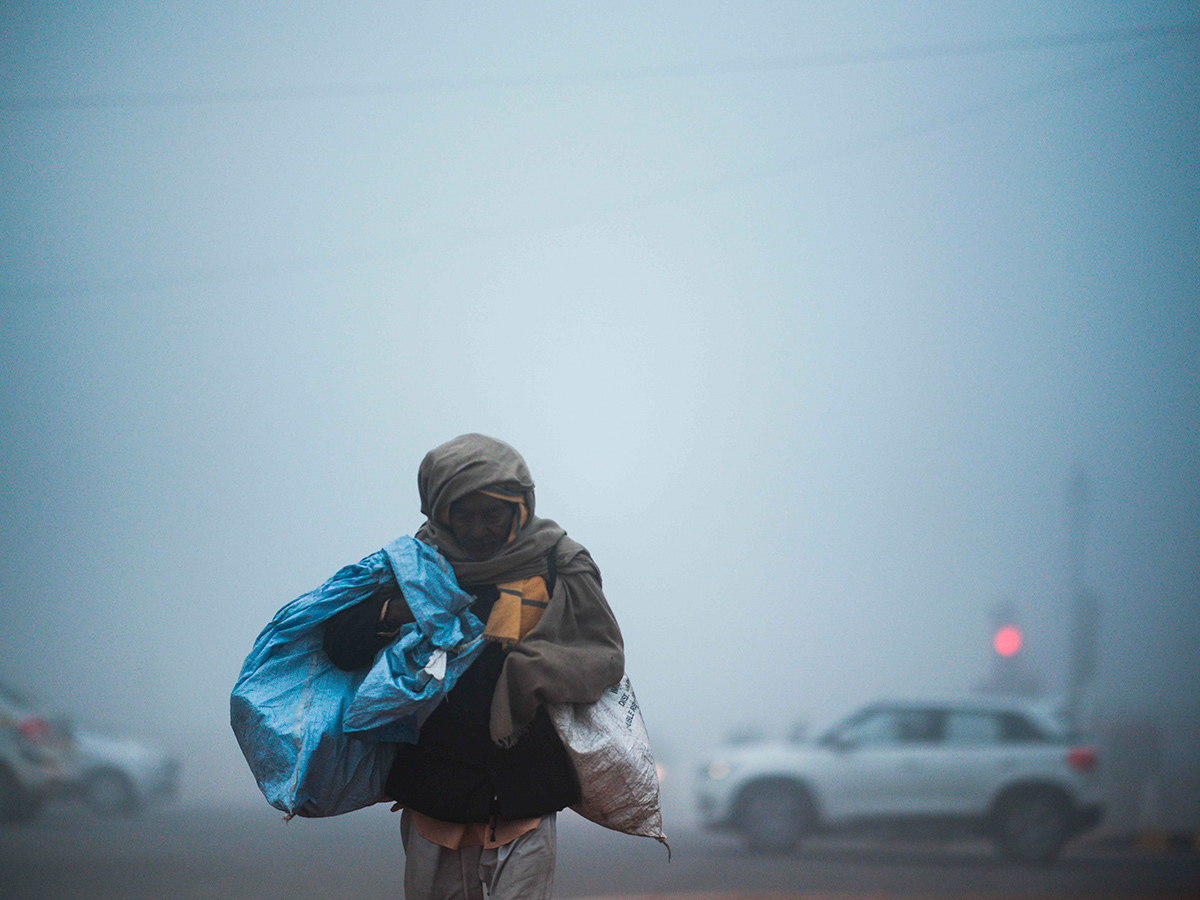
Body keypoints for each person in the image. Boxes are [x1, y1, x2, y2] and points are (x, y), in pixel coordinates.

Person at [322, 433, 625, 900]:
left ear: (519, 508)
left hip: (525, 786)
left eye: (492, 514)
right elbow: (340, 645)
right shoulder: (414, 566)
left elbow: (602, 657)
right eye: (463, 515)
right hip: (434, 788)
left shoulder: (557, 564)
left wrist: (533, 671)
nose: (478, 529)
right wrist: (397, 612)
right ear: (439, 511)